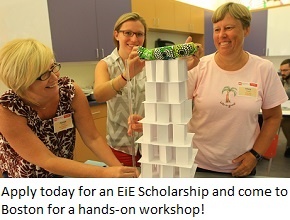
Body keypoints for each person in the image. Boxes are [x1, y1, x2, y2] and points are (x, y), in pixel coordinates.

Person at [0, 38, 139, 178]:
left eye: (53, 68)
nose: (54, 78)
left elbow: (92, 138)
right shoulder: (8, 109)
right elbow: (47, 160)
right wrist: (104, 173)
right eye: (44, 75)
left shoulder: (69, 91)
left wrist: (118, 169)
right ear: (22, 82)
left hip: (63, 172)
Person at [186, 2, 288, 177]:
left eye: (229, 28)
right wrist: (180, 68)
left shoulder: (263, 69)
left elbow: (273, 117)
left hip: (241, 167)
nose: (222, 35)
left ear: (246, 30)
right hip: (195, 163)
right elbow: (172, 105)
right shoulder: (199, 66)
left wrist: (255, 155)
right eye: (217, 29)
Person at [93, 12, 147, 167]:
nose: (134, 39)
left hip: (148, 144)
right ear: (116, 35)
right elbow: (99, 95)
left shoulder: (149, 63)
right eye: (128, 33)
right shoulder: (105, 64)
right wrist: (125, 76)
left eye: (139, 34)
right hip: (120, 146)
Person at [280, 59, 290, 157]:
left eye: (285, 70)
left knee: (285, 121)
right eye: (281, 71)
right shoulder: (282, 81)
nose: (282, 73)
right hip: (285, 109)